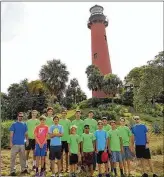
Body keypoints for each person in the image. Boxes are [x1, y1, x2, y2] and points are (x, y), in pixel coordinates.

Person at [45, 107, 54, 171]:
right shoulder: (44, 119)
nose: (50, 112)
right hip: (45, 139)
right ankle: (44, 167)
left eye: (51, 111)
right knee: (45, 153)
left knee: (51, 153)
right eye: (49, 111)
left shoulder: (54, 119)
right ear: (47, 112)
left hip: (52, 139)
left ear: (52, 112)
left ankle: (51, 167)